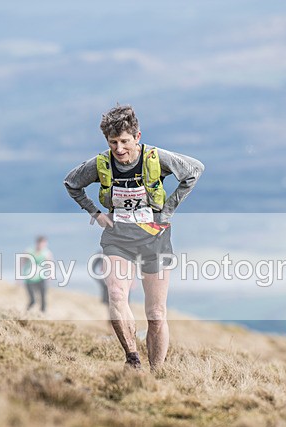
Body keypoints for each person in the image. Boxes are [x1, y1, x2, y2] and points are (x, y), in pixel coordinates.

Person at [64, 104, 204, 371]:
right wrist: (95, 213)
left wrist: (167, 211)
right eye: (113, 142)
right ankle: (133, 359)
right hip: (118, 238)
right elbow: (71, 183)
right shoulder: (102, 163)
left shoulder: (155, 157)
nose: (119, 149)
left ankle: (156, 373)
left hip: (155, 238)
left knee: (156, 314)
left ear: (137, 137)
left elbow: (194, 170)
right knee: (117, 294)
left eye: (124, 141)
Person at [20, 235, 53, 313]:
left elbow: (50, 264)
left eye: (44, 243)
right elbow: (22, 262)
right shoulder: (29, 251)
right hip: (29, 278)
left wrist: (50, 275)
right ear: (37, 243)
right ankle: (25, 313)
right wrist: (19, 276)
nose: (42, 245)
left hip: (41, 278)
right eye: (41, 243)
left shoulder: (47, 252)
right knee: (32, 300)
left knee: (43, 299)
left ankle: (42, 315)